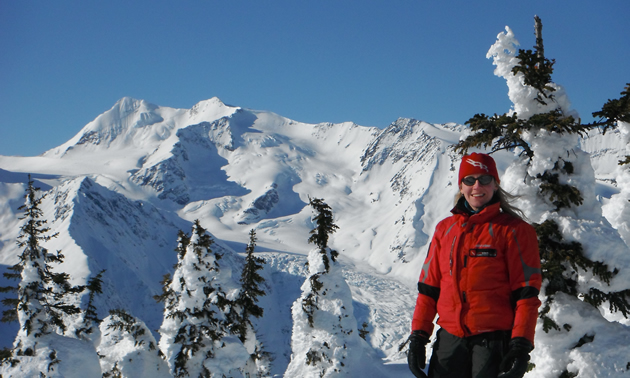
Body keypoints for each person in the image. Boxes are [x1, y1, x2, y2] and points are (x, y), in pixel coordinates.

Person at [407, 153, 542, 378]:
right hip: (449, 342)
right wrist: (418, 336)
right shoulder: (445, 229)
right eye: (469, 180)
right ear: (461, 186)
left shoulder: (515, 231)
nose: (477, 186)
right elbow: (429, 288)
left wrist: (521, 345)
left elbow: (526, 294)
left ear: (495, 185)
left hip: (492, 343)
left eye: (485, 179)